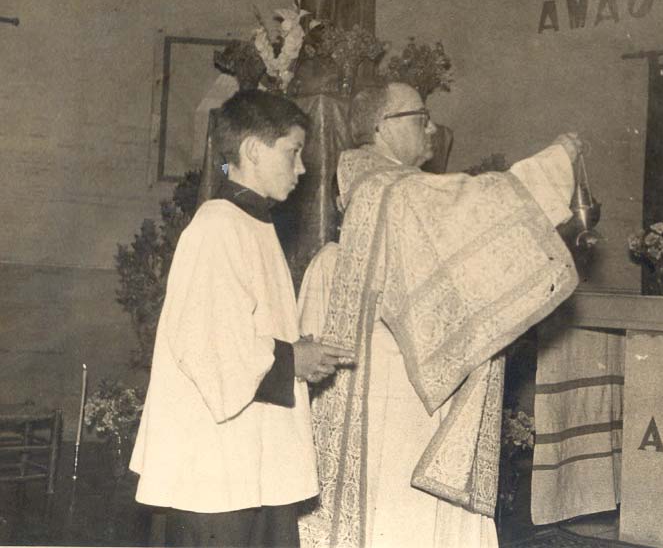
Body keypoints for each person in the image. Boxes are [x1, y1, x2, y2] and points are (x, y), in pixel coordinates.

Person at [297, 82, 581, 548]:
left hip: (396, 382)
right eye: (420, 117)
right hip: (396, 394)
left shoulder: (379, 187)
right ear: (381, 127)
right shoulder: (391, 190)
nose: (432, 129)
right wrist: (556, 161)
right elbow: (482, 206)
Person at [130, 90, 348, 547]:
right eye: (292, 152)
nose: (302, 168)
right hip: (214, 471)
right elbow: (209, 346)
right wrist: (293, 358)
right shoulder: (218, 226)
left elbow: (244, 332)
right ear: (253, 150)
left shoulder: (251, 223)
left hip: (248, 463)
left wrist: (295, 350)